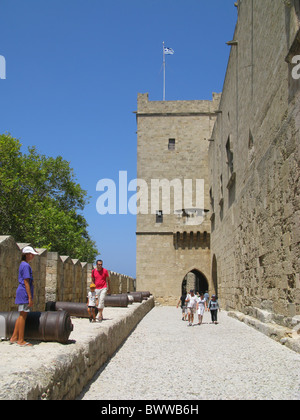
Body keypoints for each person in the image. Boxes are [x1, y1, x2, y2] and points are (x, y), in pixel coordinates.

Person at [10, 246, 39, 347]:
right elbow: (26, 282)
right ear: (26, 255)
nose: (32, 256)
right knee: (23, 316)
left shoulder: (23, 265)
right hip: (24, 293)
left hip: (22, 292)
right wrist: (30, 297)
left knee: (21, 315)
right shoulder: (26, 266)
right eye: (31, 254)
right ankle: (21, 340)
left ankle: (14, 337)